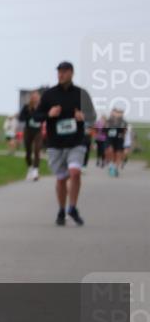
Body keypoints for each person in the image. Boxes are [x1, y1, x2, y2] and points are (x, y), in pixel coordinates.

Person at [32, 61, 95, 226]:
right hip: (55, 143)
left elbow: (92, 116)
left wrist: (83, 116)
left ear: (71, 73)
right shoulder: (49, 95)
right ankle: (61, 209)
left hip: (76, 142)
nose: (61, 74)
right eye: (59, 72)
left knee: (75, 172)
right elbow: (36, 117)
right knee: (61, 179)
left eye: (64, 71)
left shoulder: (81, 94)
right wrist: (49, 114)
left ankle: (72, 207)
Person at [19, 91, 43, 181]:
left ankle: (35, 170)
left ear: (39, 98)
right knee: (28, 152)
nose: (36, 99)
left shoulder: (42, 107)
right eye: (34, 97)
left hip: (38, 131)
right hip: (28, 131)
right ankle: (30, 168)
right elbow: (21, 118)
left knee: (37, 150)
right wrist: (29, 116)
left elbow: (46, 116)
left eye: (37, 97)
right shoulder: (26, 107)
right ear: (31, 98)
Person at [104, 107, 128, 177]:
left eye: (120, 113)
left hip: (119, 139)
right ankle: (111, 164)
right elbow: (105, 130)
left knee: (117, 154)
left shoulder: (123, 122)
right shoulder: (109, 121)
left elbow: (124, 131)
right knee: (110, 150)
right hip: (110, 138)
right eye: (116, 112)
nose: (117, 114)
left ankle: (115, 168)